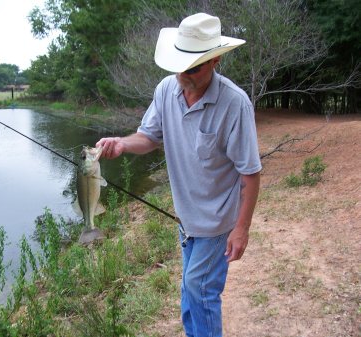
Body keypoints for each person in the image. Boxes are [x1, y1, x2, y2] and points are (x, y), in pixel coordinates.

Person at [96, 13, 262, 337]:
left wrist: (241, 229)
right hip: (186, 222)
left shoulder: (234, 104)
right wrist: (122, 144)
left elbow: (251, 174)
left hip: (217, 224)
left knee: (200, 292)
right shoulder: (165, 90)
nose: (183, 75)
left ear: (214, 60)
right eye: (179, 65)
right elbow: (149, 136)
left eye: (194, 67)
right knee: (189, 295)